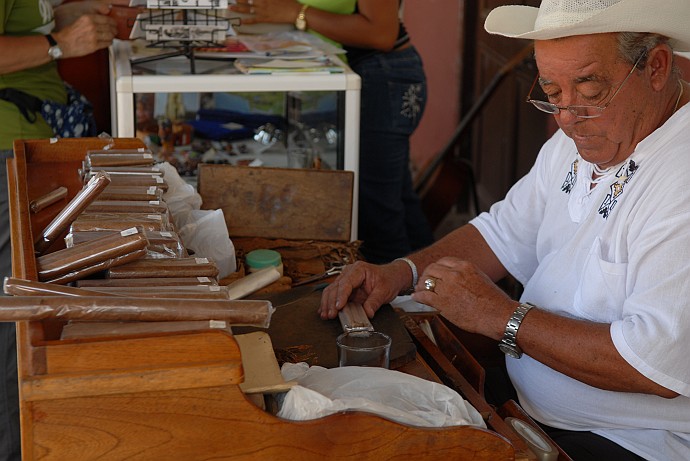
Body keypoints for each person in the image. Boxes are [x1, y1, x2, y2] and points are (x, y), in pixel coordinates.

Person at [318, 0, 690, 459]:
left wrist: (502, 317)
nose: (567, 119)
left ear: (655, 67)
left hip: (631, 441)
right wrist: (400, 273)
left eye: (590, 93)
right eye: (552, 93)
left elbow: (651, 365)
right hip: (528, 408)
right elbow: (503, 233)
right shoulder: (579, 139)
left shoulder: (681, 174)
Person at [230, 0, 436, 264]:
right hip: (373, 75)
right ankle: (432, 290)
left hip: (384, 78)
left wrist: (297, 13)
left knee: (376, 216)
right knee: (396, 202)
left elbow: (381, 34)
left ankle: (401, 296)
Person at [0, 1, 118, 459]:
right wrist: (58, 44)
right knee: (18, 320)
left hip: (31, 134)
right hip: (6, 148)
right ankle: (17, 448)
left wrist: (68, 15)